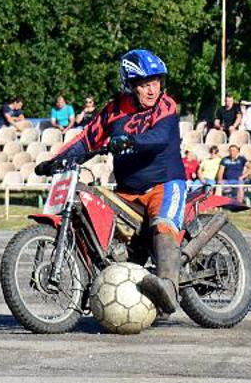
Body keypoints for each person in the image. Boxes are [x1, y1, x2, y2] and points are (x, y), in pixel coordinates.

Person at [34, 49, 185, 315]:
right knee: (94, 205)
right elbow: (86, 140)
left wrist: (130, 140)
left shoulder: (166, 105)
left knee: (163, 226)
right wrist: (56, 161)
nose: (152, 90)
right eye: (144, 84)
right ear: (129, 84)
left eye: (156, 82)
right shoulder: (113, 110)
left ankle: (169, 289)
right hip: (127, 192)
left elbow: (160, 137)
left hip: (166, 184)